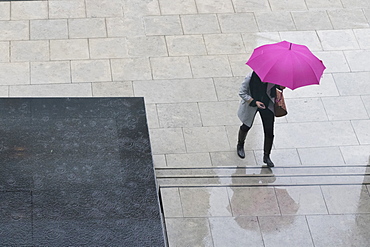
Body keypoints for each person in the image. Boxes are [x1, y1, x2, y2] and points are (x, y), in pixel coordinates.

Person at [237, 71, 284, 167]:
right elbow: (242, 92)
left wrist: (280, 87)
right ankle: (240, 144)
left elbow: (275, 91)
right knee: (246, 126)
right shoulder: (250, 77)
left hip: (267, 105)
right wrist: (254, 102)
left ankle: (266, 156)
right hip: (252, 105)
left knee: (269, 132)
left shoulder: (274, 77)